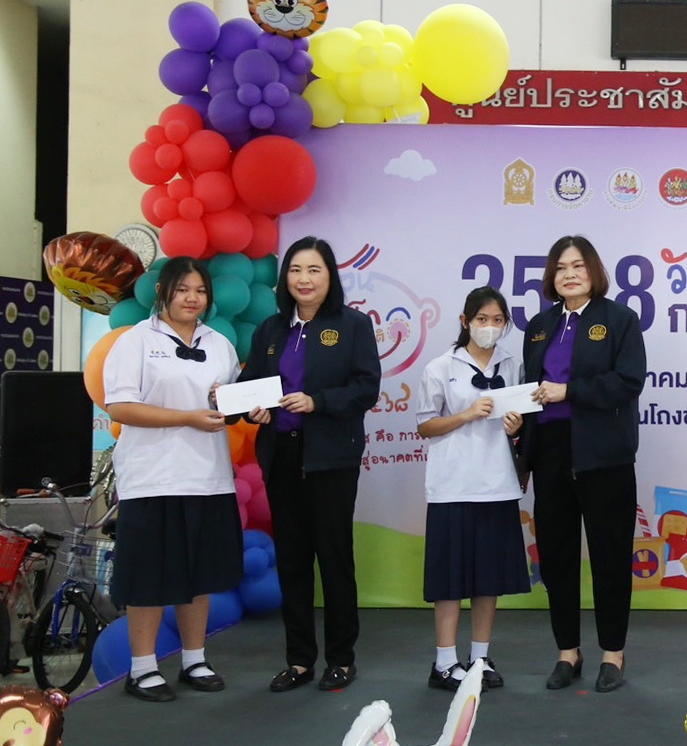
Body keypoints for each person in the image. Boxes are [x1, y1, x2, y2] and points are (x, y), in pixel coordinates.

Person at [240, 236, 381, 694]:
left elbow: (366, 388)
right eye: (296, 270)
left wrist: (316, 401)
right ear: (286, 278)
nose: (304, 279)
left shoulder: (353, 325)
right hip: (282, 456)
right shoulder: (271, 329)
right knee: (292, 561)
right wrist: (251, 410)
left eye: (314, 270)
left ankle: (341, 659)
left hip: (331, 458)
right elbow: (250, 386)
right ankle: (299, 660)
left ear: (329, 276)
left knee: (334, 559)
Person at [103, 257, 245, 702]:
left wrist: (241, 406)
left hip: (207, 477)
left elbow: (231, 403)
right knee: (148, 576)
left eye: (200, 291)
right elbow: (120, 407)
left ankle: (194, 659)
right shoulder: (135, 341)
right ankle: (142, 668)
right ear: (162, 291)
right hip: (152, 477)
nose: (191, 298)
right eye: (182, 289)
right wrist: (186, 417)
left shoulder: (219, 344)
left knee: (198, 574)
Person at [520, 235, 646, 693]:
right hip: (551, 452)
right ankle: (567, 652)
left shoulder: (619, 319)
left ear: (593, 270)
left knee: (610, 555)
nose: (569, 274)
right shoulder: (540, 325)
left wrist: (569, 391)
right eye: (560, 268)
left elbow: (628, 382)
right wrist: (521, 443)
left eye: (578, 265)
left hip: (604, 454)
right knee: (556, 557)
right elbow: (531, 389)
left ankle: (612, 652)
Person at [416, 286, 531, 691]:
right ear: (465, 322)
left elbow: (521, 421)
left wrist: (516, 426)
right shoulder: (440, 367)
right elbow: (425, 425)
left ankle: (480, 657)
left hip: (497, 485)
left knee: (488, 578)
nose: (489, 327)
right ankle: (444, 662)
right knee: (449, 580)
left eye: (498, 320)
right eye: (482, 319)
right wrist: (465, 414)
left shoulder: (513, 365)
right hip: (451, 486)